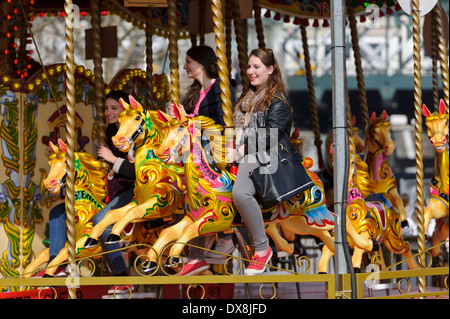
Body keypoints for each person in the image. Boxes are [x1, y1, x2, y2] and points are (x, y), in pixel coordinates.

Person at [231, 48, 309, 274]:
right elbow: (239, 129)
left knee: (240, 193)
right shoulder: (247, 97)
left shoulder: (278, 98)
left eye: (256, 67)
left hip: (267, 153)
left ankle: (262, 248)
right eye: (248, 67)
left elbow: (273, 132)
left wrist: (242, 149)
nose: (251, 72)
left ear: (270, 70)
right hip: (244, 149)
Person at [167, 46, 236, 276]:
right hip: (195, 154)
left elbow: (220, 122)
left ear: (202, 64)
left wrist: (191, 120)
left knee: (202, 192)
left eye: (188, 62)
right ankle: (195, 252)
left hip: (215, 150)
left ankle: (226, 235)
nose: (185, 66)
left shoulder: (222, 90)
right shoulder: (196, 93)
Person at [92, 90, 136, 293]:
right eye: (106, 109)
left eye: (113, 108)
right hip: (117, 192)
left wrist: (112, 160)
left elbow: (138, 171)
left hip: (136, 191)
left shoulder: (134, 133)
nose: (108, 112)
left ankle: (122, 277)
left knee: (102, 221)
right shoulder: (111, 134)